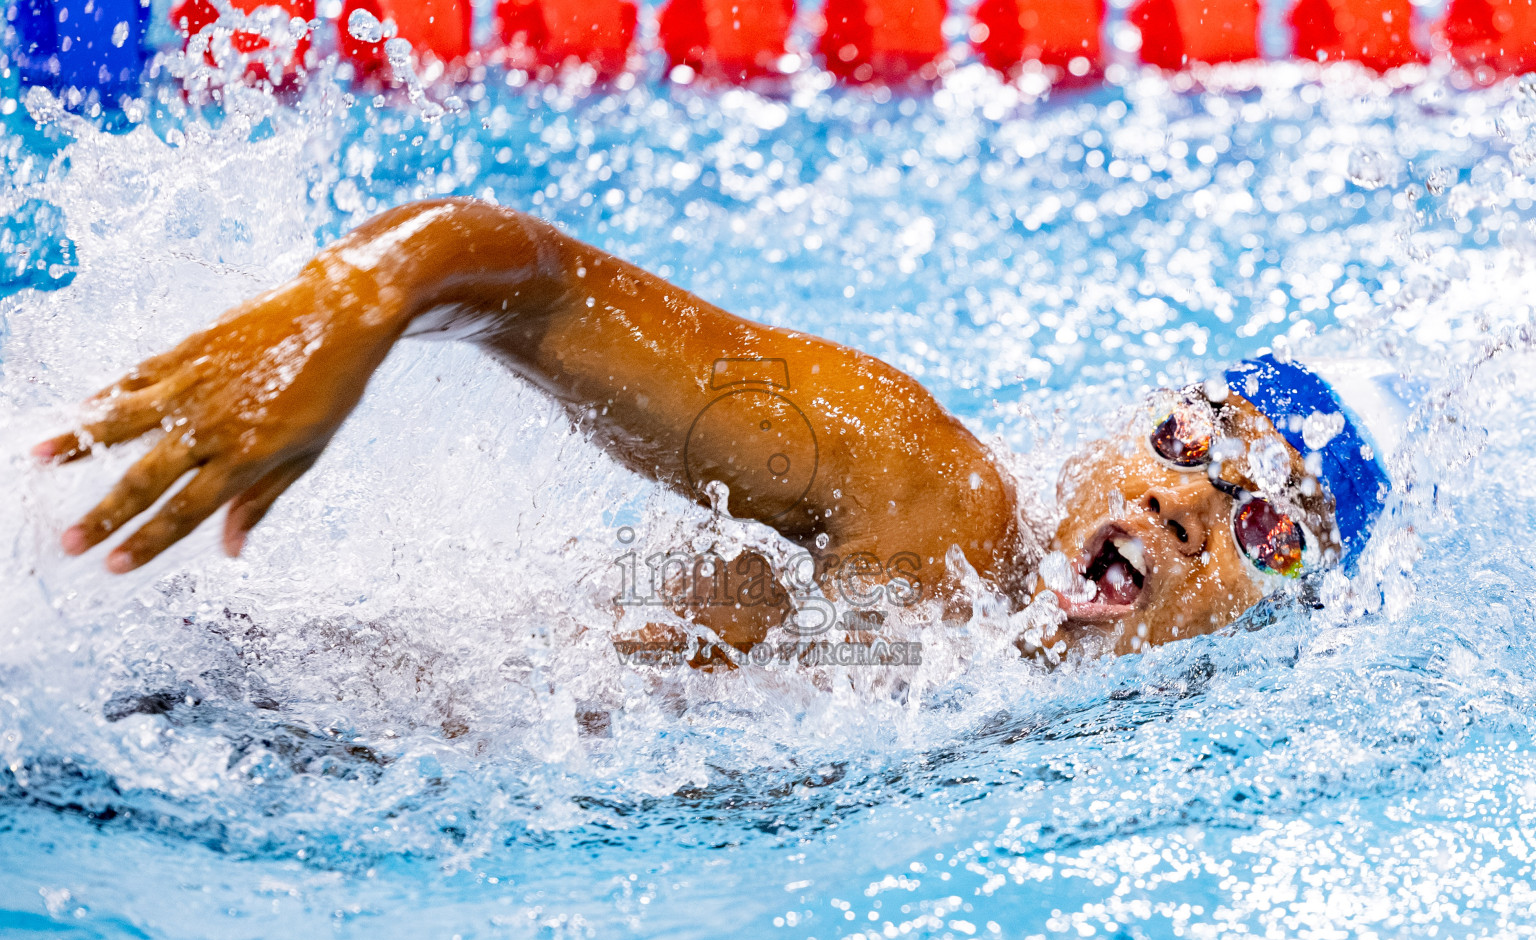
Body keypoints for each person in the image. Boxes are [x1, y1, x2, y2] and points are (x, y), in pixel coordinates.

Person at [32, 198, 1400, 661]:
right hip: (239, 706)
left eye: (1263, 522)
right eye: (1184, 447)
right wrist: (356, 302)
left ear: (1281, 605)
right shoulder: (928, 501)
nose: (1184, 509)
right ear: (1121, 428)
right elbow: (519, 270)